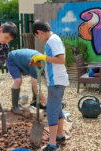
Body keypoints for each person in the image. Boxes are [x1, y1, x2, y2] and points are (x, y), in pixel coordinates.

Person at [31, 20, 69, 151]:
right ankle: (59, 136)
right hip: (56, 81)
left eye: (37, 37)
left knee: (51, 111)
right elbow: (53, 61)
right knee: (57, 109)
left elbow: (61, 59)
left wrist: (42, 57)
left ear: (39, 32)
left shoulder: (52, 40)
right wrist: (42, 61)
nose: (39, 39)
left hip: (57, 81)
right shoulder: (54, 39)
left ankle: (53, 145)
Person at [6, 49, 47, 114]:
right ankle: (15, 107)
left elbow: (48, 81)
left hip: (24, 59)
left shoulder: (47, 65)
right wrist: (45, 101)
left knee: (37, 79)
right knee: (18, 81)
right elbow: (35, 85)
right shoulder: (37, 64)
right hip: (12, 59)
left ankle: (35, 102)